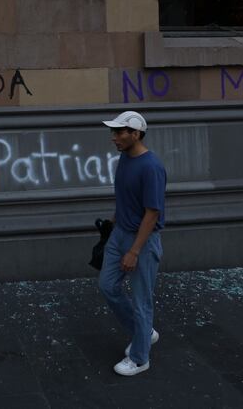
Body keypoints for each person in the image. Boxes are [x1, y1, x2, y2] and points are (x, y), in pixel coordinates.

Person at [97, 110, 167, 377]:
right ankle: (144, 333)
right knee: (107, 286)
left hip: (143, 240)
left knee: (141, 301)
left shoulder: (151, 167)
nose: (113, 137)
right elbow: (125, 197)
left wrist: (134, 250)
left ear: (135, 134)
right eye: (113, 132)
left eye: (119, 132)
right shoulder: (125, 158)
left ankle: (139, 358)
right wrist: (113, 224)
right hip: (120, 233)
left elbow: (152, 213)